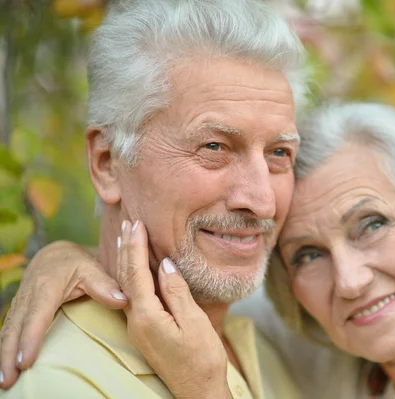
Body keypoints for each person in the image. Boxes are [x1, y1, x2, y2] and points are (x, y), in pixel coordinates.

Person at [3, 103, 395, 398]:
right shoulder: (324, 344)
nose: (349, 281)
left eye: (371, 224)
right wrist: (71, 255)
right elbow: (188, 279)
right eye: (307, 254)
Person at [0, 0, 308, 397]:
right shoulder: (62, 383)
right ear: (108, 164)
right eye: (214, 146)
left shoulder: (278, 345)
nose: (262, 201)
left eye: (279, 153)